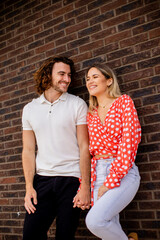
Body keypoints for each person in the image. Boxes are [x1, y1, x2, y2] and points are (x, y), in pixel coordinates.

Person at [22, 56, 91, 240]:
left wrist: (85, 185)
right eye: (61, 74)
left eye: (69, 75)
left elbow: (85, 147)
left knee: (65, 236)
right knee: (30, 235)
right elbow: (28, 150)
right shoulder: (30, 109)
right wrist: (29, 187)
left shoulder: (77, 104)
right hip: (42, 181)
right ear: (47, 75)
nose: (67, 79)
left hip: (71, 179)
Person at [85, 63, 141, 240]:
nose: (90, 81)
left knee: (95, 221)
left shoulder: (123, 102)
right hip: (97, 172)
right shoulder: (90, 114)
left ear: (109, 80)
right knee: (108, 228)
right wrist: (84, 183)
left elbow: (129, 141)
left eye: (95, 76)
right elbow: (88, 151)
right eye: (87, 79)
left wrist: (111, 180)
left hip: (122, 171)